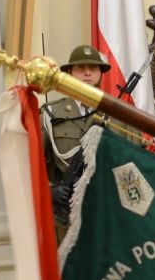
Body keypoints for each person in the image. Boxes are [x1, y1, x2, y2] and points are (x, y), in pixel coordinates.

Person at [42, 44, 109, 239]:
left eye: (93, 68)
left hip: (106, 210)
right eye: (81, 68)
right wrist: (48, 190)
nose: (87, 73)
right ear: (70, 72)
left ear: (100, 73)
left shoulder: (118, 116)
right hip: (66, 212)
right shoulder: (51, 114)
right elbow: (31, 161)